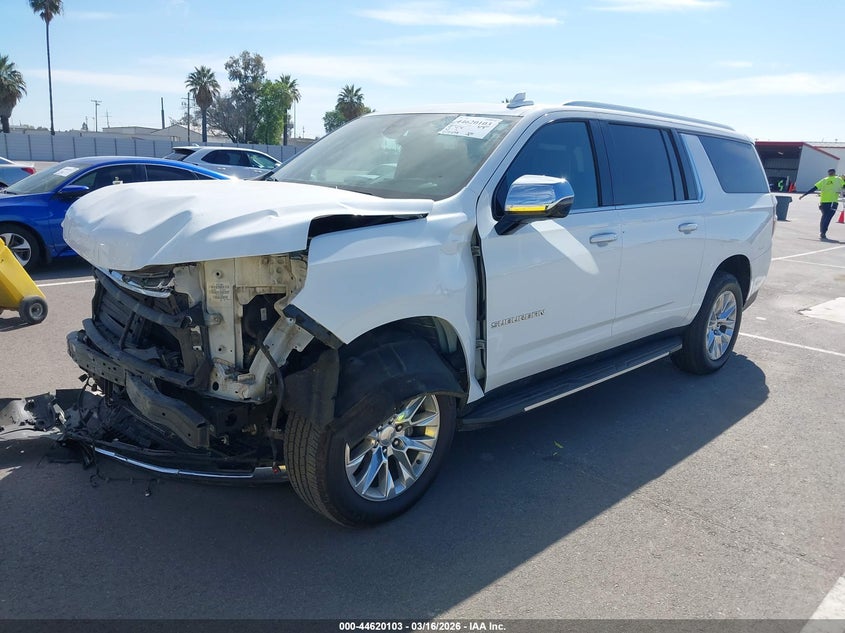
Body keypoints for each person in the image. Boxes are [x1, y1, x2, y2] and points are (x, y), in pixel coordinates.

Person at [800, 168, 845, 241]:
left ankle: (822, 231)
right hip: (832, 202)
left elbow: (814, 188)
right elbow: (844, 185)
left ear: (828, 173)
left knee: (824, 216)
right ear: (834, 173)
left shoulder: (824, 180)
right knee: (828, 217)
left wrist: (804, 195)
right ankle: (823, 232)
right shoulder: (838, 179)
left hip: (823, 202)